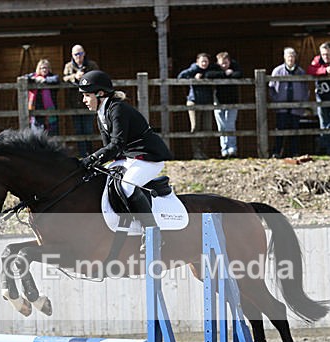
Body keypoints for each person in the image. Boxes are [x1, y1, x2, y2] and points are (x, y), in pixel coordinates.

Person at [77, 70, 174, 249]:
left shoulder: (118, 109)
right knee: (105, 180)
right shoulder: (101, 112)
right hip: (129, 157)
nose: (83, 100)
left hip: (148, 157)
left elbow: (116, 144)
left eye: (87, 95)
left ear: (100, 94)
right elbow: (111, 150)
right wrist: (92, 165)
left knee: (127, 185)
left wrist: (91, 158)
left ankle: (153, 232)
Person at [269, 47, 309, 157]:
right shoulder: (277, 71)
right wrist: (276, 100)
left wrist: (303, 102)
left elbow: (306, 88)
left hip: (296, 108)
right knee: (280, 130)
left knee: (295, 131)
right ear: (284, 57)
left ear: (295, 58)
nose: (290, 58)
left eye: (292, 56)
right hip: (281, 108)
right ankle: (277, 153)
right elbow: (271, 88)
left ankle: (294, 153)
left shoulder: (301, 72)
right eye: (288, 56)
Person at [62, 44, 100, 156]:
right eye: (76, 54)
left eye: (81, 53)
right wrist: (75, 76)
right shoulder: (68, 66)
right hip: (75, 102)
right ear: (72, 55)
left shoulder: (92, 65)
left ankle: (90, 153)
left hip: (89, 102)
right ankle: (83, 154)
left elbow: (97, 76)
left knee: (88, 129)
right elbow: (64, 78)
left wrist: (85, 77)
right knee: (78, 130)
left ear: (84, 53)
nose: (79, 56)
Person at [177, 53, 215, 159]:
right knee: (195, 127)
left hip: (207, 102)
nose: (204, 63)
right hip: (194, 101)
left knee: (207, 128)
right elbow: (180, 76)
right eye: (202, 61)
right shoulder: (193, 69)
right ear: (197, 62)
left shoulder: (210, 70)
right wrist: (194, 75)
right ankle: (196, 152)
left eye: (206, 61)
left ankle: (203, 151)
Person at [206, 52, 243, 158]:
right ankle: (224, 150)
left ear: (229, 61)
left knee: (230, 124)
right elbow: (209, 75)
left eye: (226, 63)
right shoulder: (215, 68)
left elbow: (239, 74)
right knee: (221, 126)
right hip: (218, 100)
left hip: (232, 100)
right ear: (218, 62)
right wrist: (225, 73)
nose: (224, 65)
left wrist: (230, 73)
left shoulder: (234, 66)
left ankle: (232, 149)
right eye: (222, 63)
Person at [27, 59, 60, 135]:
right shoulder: (34, 76)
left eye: (46, 68)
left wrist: (44, 80)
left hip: (50, 111)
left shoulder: (52, 77)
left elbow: (56, 79)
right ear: (39, 69)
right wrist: (35, 79)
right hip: (36, 111)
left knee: (51, 135)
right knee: (36, 136)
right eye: (42, 68)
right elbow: (24, 78)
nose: (44, 70)